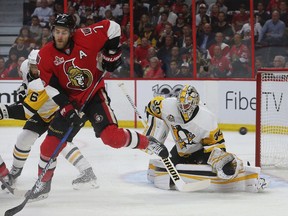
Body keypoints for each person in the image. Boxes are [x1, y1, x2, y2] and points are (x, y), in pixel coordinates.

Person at [29, 14, 168, 201]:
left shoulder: (86, 36)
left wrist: (111, 54)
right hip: (70, 101)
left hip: (93, 94)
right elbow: (51, 86)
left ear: (71, 32)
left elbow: (113, 27)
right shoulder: (45, 55)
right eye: (56, 32)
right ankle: (43, 184)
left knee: (113, 138)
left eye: (63, 32)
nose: (59, 36)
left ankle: (148, 142)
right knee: (48, 146)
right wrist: (67, 108)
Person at [0, 49, 98, 192]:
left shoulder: (48, 76)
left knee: (60, 143)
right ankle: (15, 171)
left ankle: (87, 172)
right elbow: (26, 83)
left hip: (60, 110)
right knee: (24, 138)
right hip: (42, 112)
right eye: (33, 66)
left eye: (38, 66)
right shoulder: (25, 66)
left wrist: (4, 111)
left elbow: (27, 112)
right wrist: (23, 88)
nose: (36, 69)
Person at [145, 85, 267, 192]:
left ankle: (235, 167)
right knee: (166, 170)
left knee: (222, 162)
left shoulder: (207, 118)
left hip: (201, 151)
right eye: (180, 105)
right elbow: (151, 106)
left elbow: (217, 145)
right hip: (180, 150)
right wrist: (152, 129)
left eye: (186, 105)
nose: (182, 109)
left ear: (194, 103)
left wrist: (220, 160)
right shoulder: (167, 105)